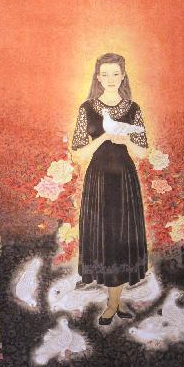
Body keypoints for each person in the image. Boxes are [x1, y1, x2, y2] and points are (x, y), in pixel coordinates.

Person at [71, 53, 149, 326]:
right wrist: (104, 136)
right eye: (104, 74)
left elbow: (143, 152)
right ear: (97, 77)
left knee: (122, 237)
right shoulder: (87, 108)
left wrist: (126, 140)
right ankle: (113, 304)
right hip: (99, 181)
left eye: (115, 74)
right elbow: (78, 154)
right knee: (104, 237)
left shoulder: (133, 108)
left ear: (123, 76)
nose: (110, 79)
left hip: (125, 180)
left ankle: (114, 303)